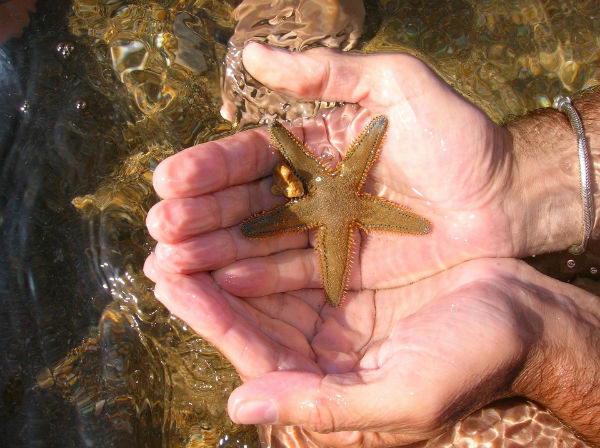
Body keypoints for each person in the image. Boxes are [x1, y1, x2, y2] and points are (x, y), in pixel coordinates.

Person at [144, 42, 600, 446]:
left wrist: (545, 344)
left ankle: (293, 40)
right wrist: (519, 178)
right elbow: (301, 162)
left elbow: (310, 164)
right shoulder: (326, 184)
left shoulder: (327, 187)